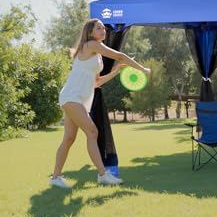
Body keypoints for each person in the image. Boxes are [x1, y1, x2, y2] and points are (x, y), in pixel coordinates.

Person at [50, 18, 151, 188]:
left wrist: (115, 71)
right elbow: (120, 56)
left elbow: (96, 82)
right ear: (90, 32)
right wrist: (143, 69)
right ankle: (103, 174)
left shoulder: (96, 56)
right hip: (71, 97)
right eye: (99, 28)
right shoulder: (91, 45)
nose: (103, 30)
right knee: (92, 131)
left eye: (103, 28)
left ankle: (55, 178)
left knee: (69, 138)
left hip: (76, 99)